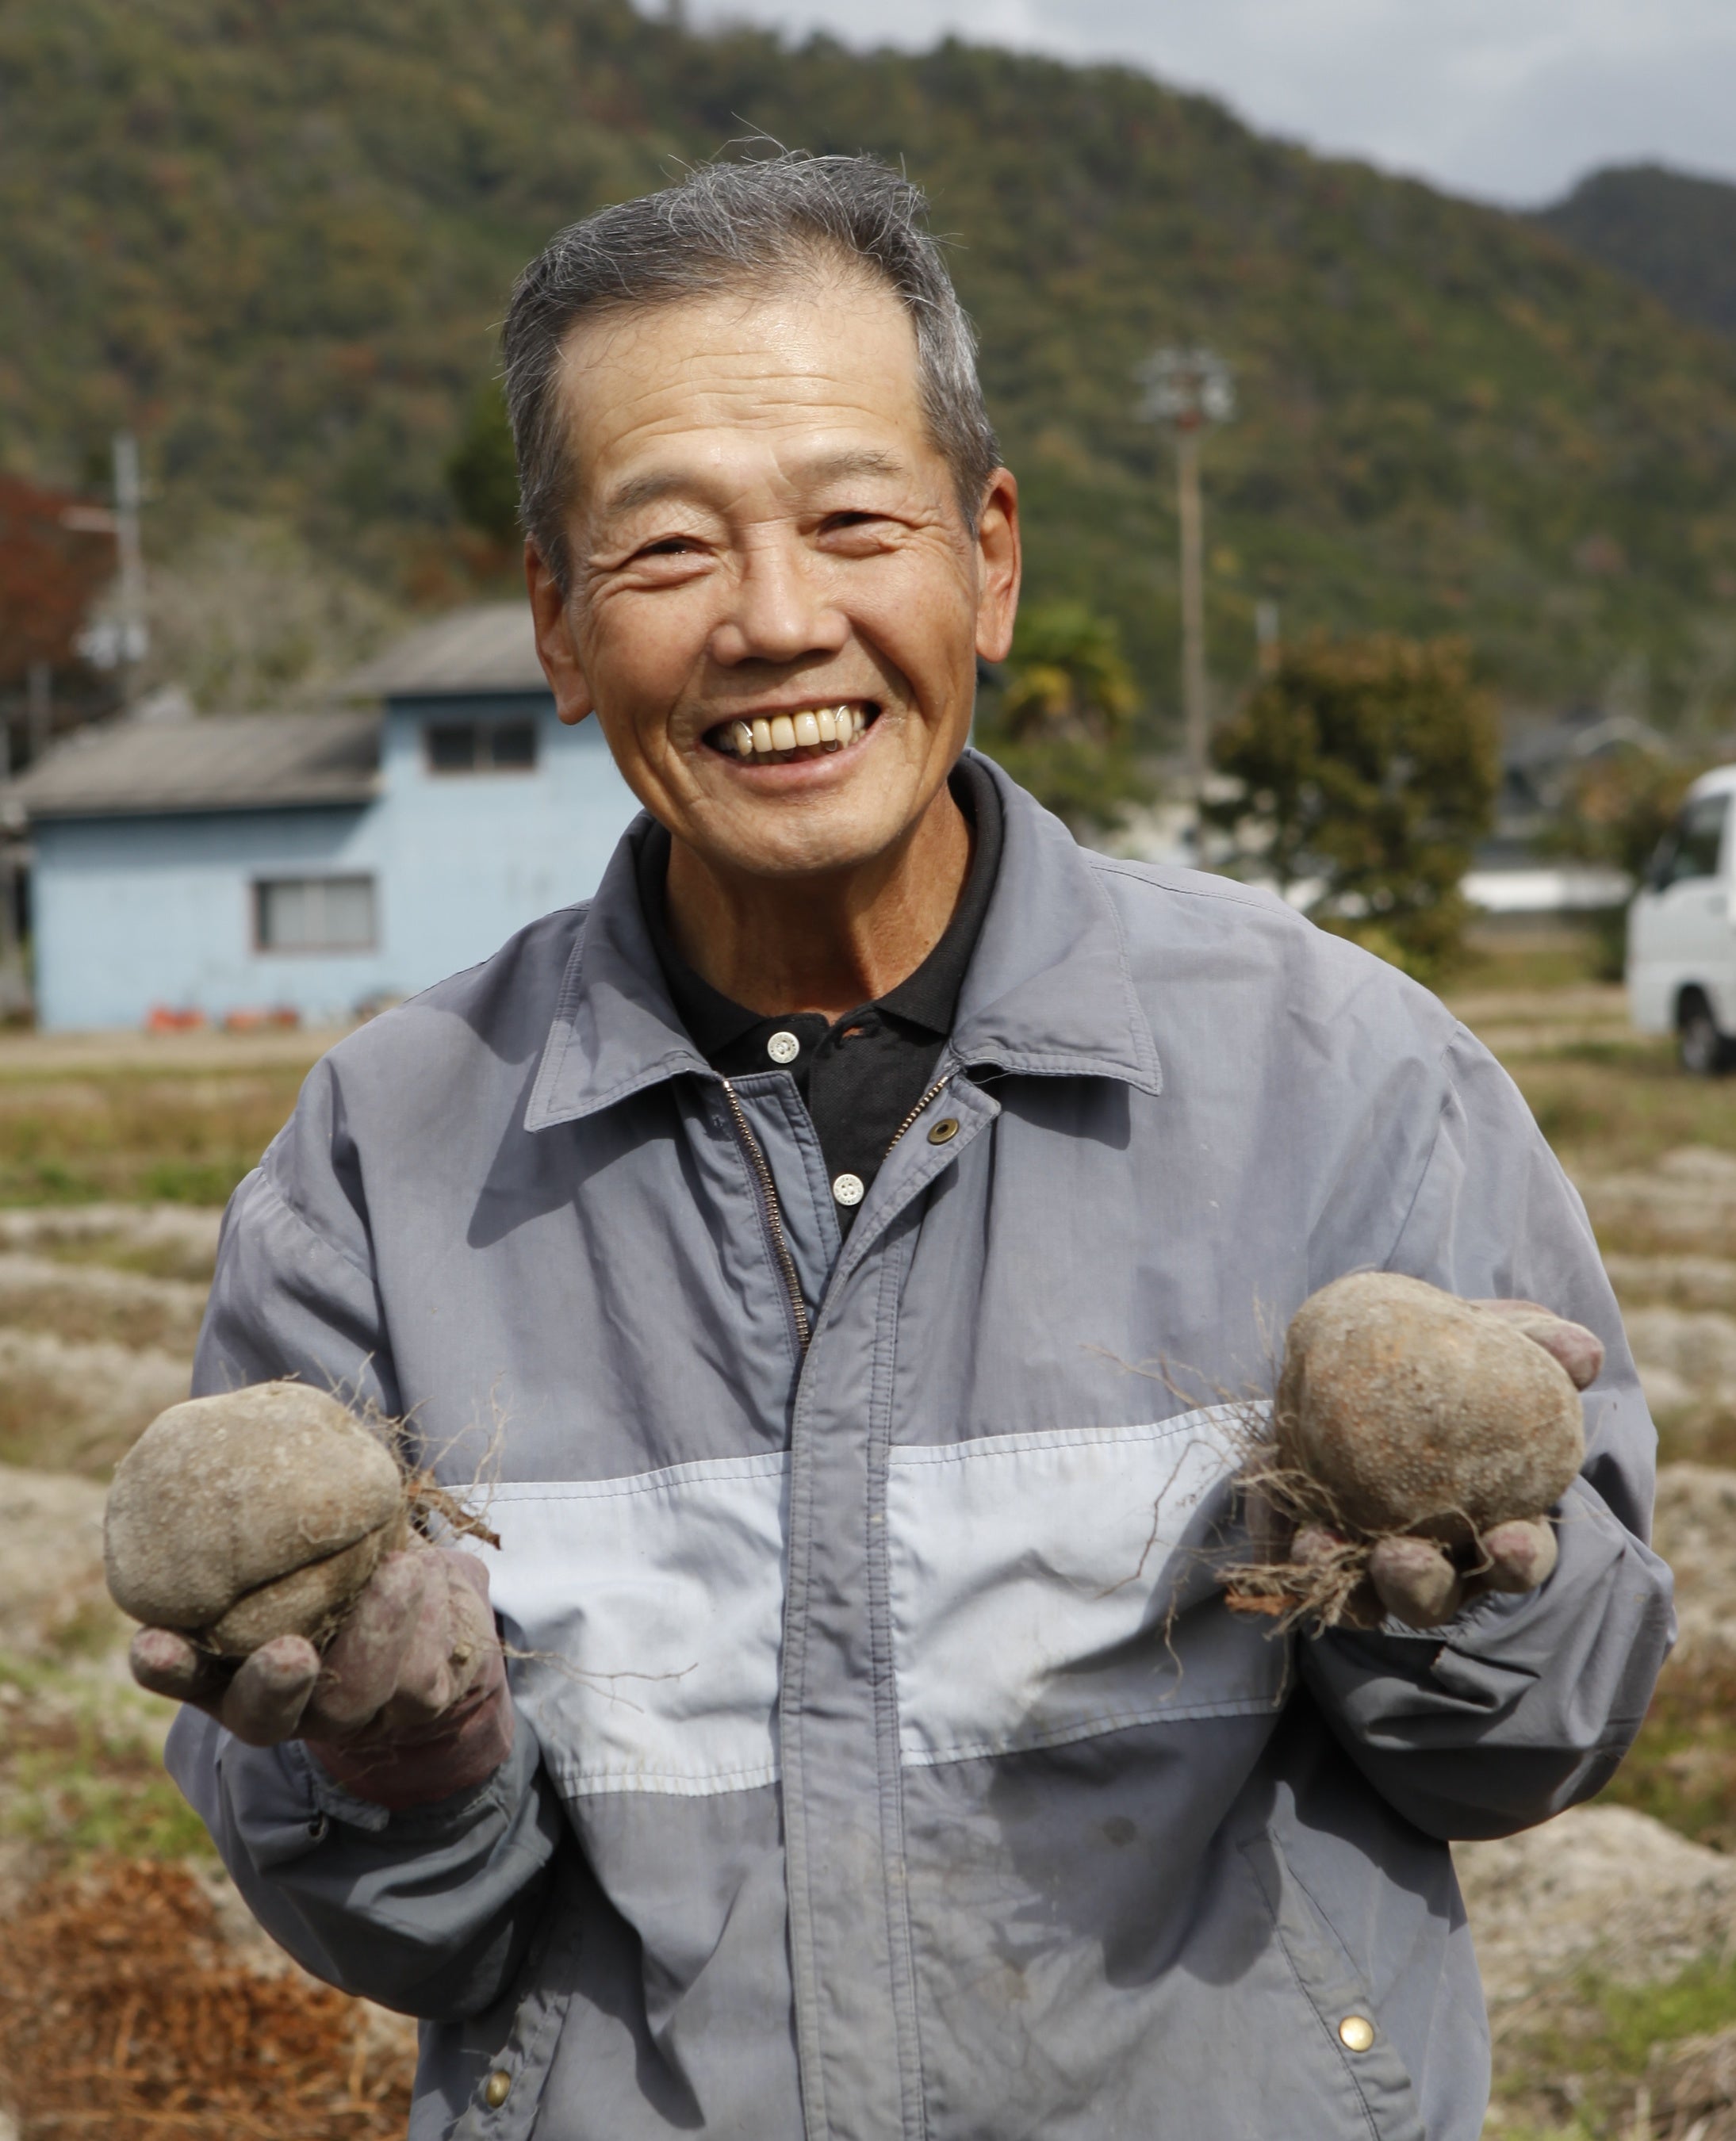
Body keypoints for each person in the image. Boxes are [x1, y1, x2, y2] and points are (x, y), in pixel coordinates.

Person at [143, 154, 1673, 2141]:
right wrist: (400, 1763)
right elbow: (400, 1938)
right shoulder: (390, 1156)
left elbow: (1539, 1752)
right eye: (670, 552)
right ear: (556, 621)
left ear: (993, 560)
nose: (778, 625)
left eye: (855, 523)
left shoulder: (1339, 1071)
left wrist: (1457, 1601)